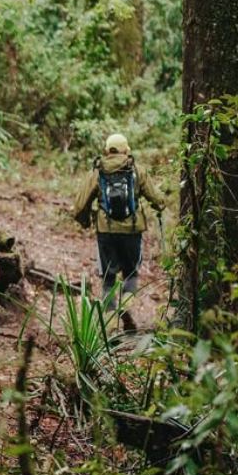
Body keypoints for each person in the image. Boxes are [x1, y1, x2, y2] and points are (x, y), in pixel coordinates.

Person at [72, 133, 165, 331]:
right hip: (132, 231)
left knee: (108, 279)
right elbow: (157, 199)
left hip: (106, 232)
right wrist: (159, 206)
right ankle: (127, 305)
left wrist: (85, 221)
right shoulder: (137, 170)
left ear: (107, 150)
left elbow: (80, 205)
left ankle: (111, 325)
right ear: (126, 150)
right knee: (130, 273)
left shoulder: (98, 172)